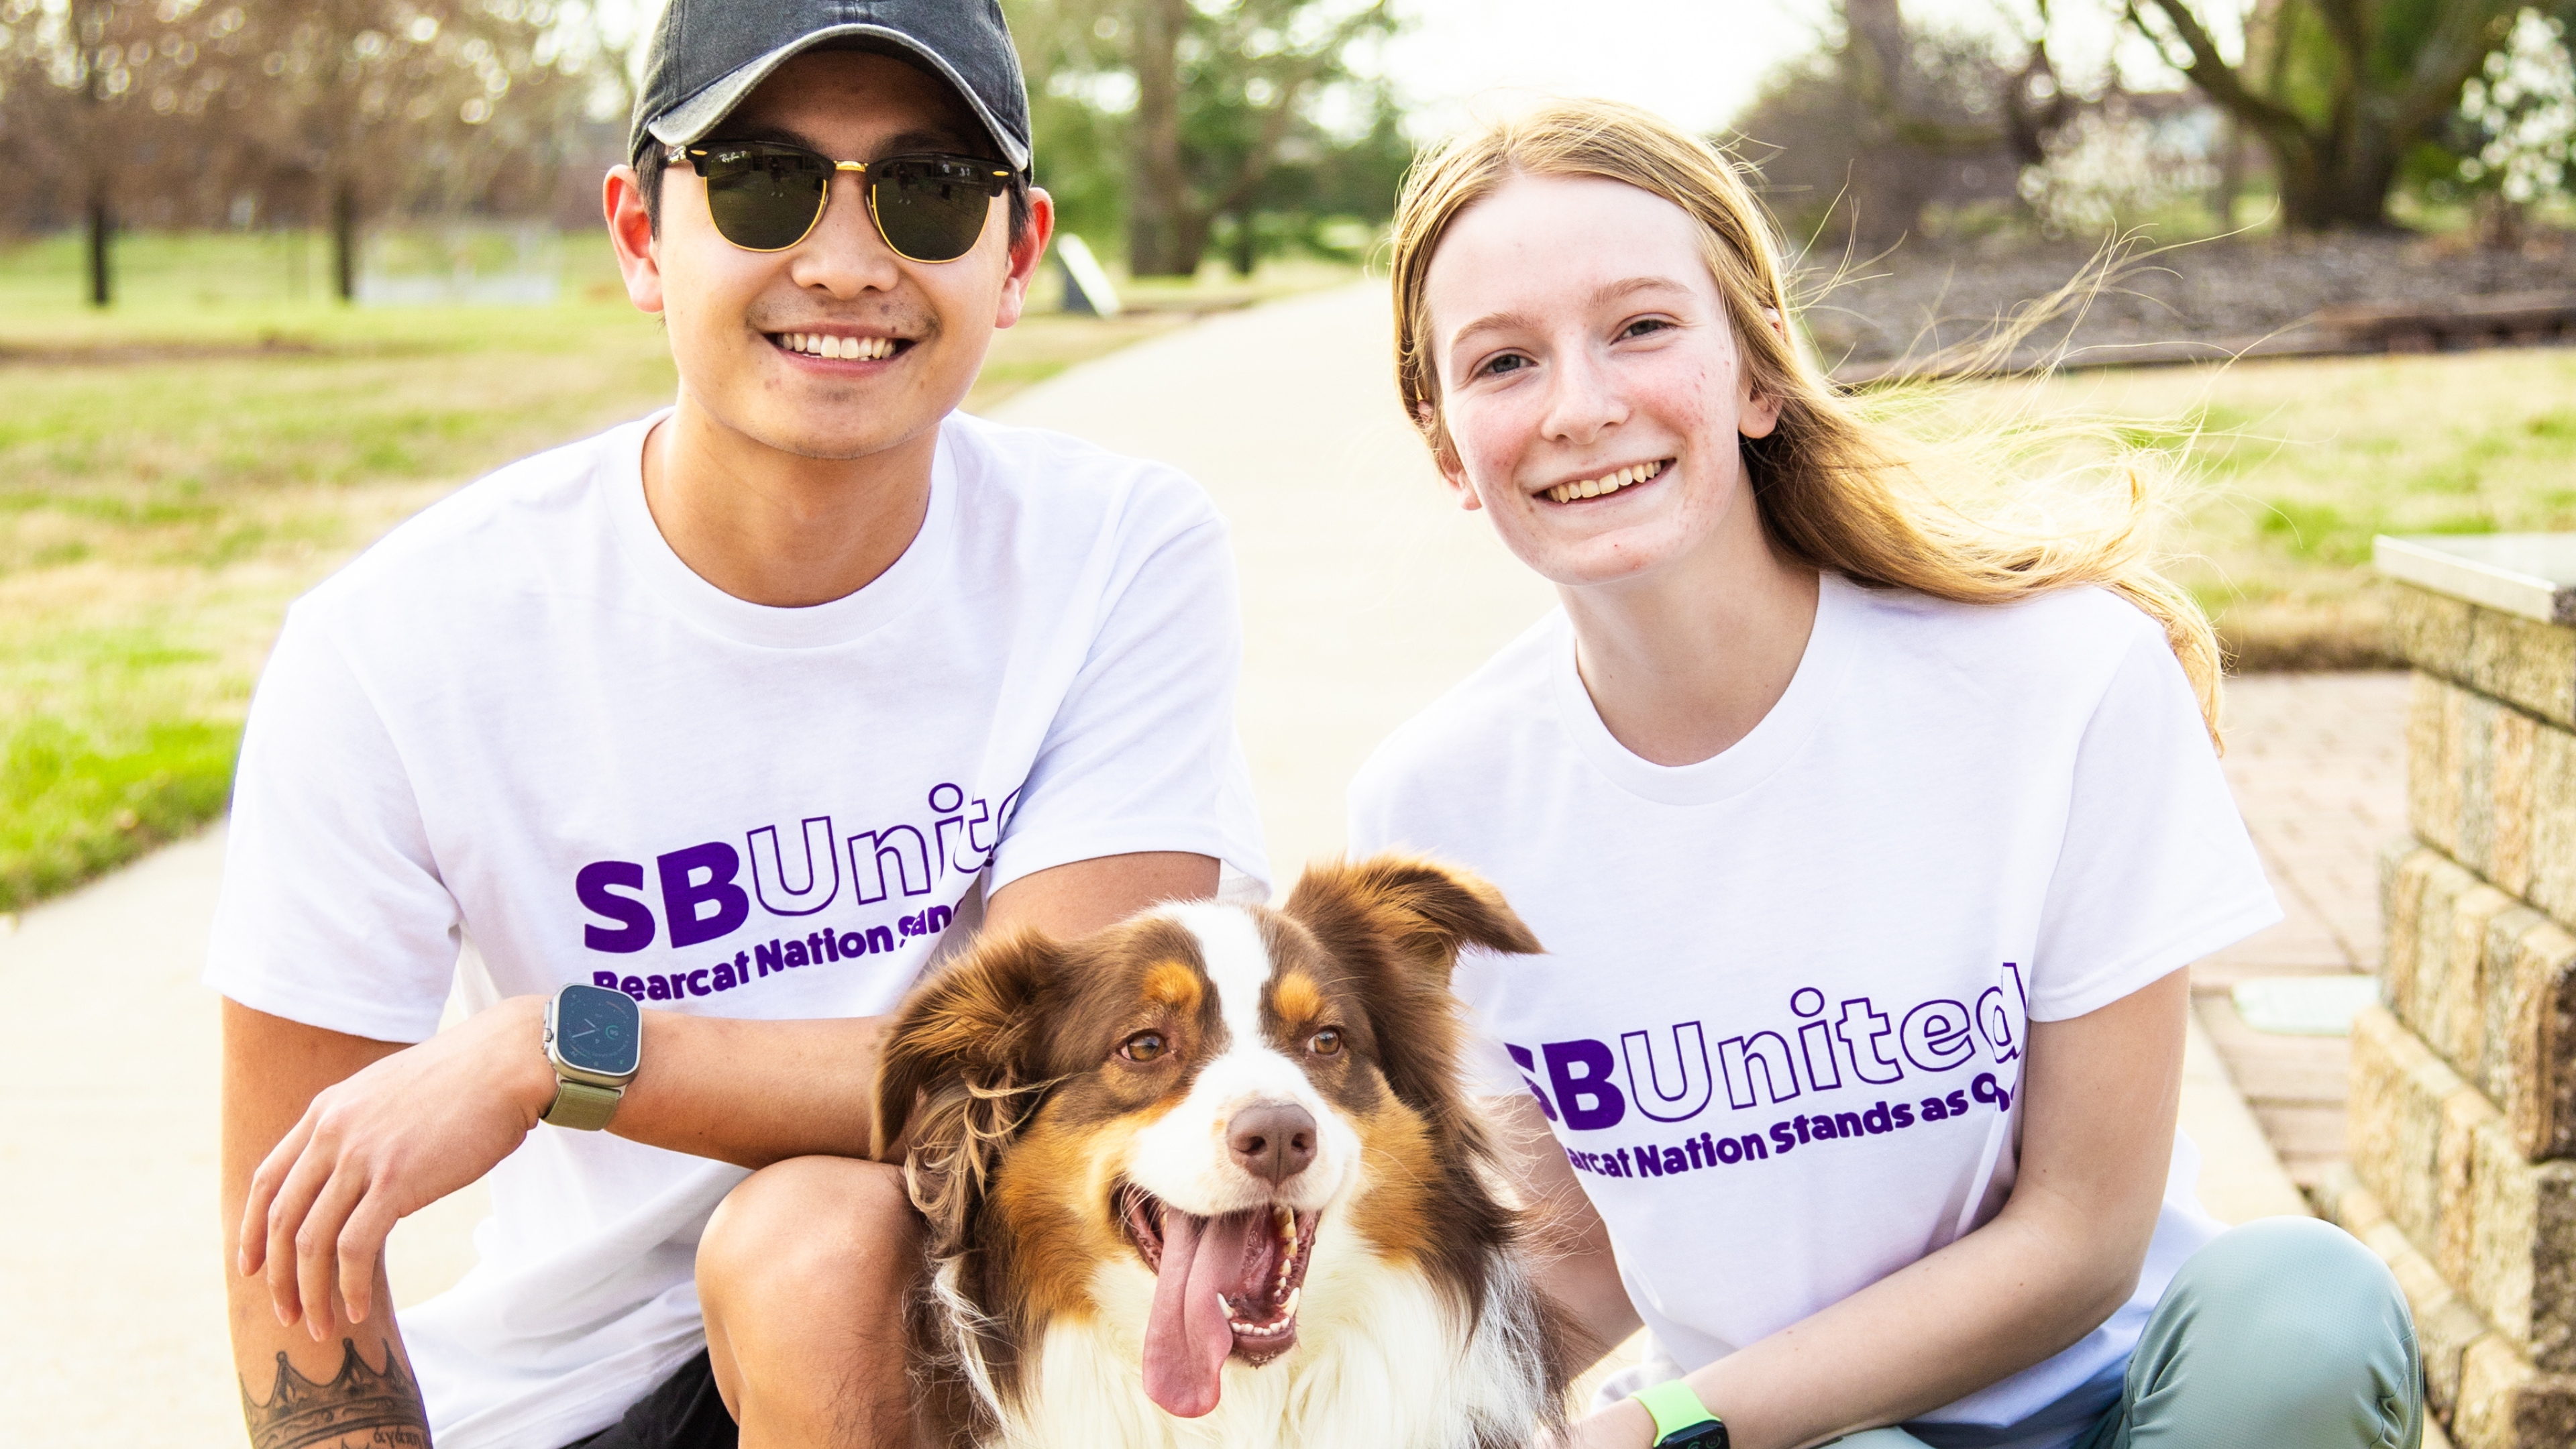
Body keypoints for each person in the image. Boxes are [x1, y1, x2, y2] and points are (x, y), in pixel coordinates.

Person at [211, 5, 1266, 1447]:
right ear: (643, 237)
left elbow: (1078, 1072)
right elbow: (293, 1243)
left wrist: (559, 1050)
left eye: (930, 191)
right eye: (763, 181)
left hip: (1006, 1350)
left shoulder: (1114, 554)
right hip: (576, 1394)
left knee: (820, 1239)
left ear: (1015, 257)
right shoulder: (397, 647)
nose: (845, 261)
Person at [1347, 99, 2421, 1449]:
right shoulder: (1437, 807)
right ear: (1447, 443)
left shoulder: (2060, 679)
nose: (1581, 405)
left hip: (2125, 1404)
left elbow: (2086, 1234)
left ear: (1758, 371)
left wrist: (1663, 1424)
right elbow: (1574, 1259)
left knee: (2307, 1306)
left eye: (1642, 327)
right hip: (1798, 1439)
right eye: (1503, 363)